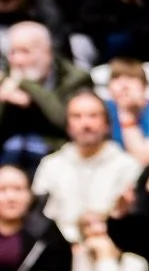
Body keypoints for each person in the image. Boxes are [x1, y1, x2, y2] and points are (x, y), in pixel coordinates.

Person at [32, 91, 142, 242]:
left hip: (110, 245)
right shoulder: (51, 165)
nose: (85, 124)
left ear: (107, 124)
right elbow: (38, 216)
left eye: (93, 116)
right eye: (77, 116)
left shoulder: (128, 166)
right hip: (57, 250)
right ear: (68, 125)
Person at [0, 21, 91, 171]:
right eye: (13, 52)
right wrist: (3, 99)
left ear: (46, 52)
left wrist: (28, 84)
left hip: (57, 154)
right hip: (10, 159)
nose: (17, 60)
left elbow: (65, 121)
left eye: (25, 52)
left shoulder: (75, 79)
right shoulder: (7, 79)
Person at [102, 56, 149, 167]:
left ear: (144, 86)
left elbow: (146, 159)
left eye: (131, 78)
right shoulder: (102, 109)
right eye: (116, 78)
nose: (124, 85)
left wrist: (126, 113)